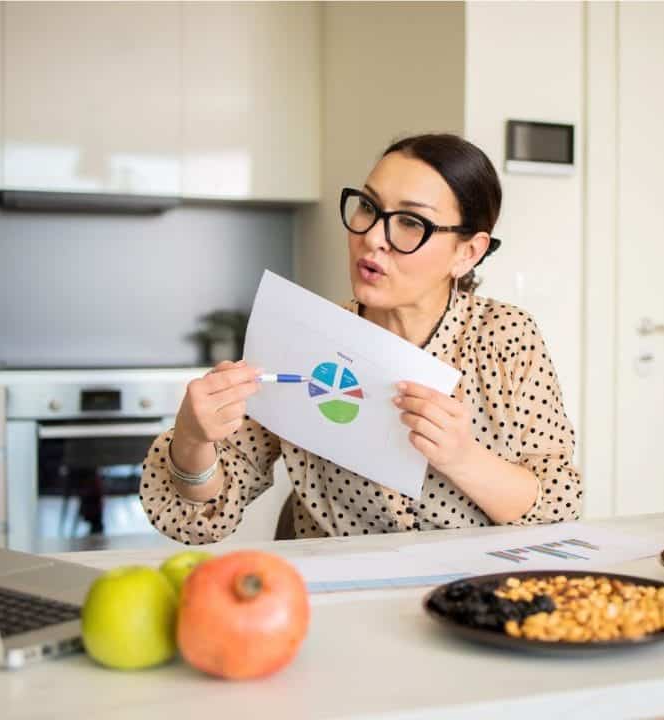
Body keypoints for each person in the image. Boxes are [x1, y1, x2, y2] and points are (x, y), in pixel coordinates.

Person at [140, 134, 582, 543]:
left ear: (468, 252)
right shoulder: (305, 337)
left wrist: (461, 457)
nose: (372, 237)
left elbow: (558, 506)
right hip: (331, 595)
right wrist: (193, 440)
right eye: (368, 207)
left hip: (469, 594)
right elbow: (202, 517)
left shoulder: (505, 336)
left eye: (410, 222)